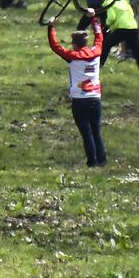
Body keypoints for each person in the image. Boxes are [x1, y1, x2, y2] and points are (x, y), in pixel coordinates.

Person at [46, 12, 106, 167]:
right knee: (96, 131)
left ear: (74, 44)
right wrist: (94, 19)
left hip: (80, 100)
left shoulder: (72, 56)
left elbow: (55, 46)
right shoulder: (96, 52)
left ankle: (91, 162)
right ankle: (102, 160)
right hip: (95, 98)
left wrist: (51, 27)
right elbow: (99, 37)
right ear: (86, 42)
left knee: (87, 133)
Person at [100, 0, 139, 77]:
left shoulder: (110, 3)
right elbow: (131, 13)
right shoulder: (124, 3)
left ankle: (100, 65)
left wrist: (107, 25)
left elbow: (112, 18)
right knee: (136, 53)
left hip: (122, 28)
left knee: (106, 45)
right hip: (133, 27)